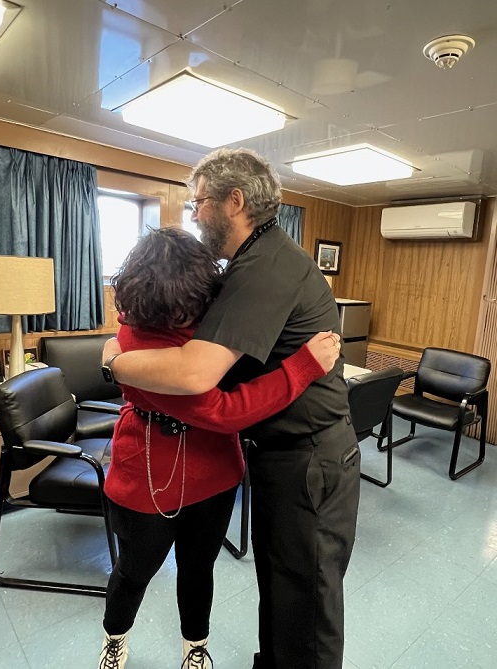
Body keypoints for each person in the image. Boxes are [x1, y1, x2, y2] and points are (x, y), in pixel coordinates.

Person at [102, 149, 360, 669]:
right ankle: (120, 638)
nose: (194, 213)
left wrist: (115, 362)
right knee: (283, 586)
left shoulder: (261, 268)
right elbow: (184, 370)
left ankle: (203, 649)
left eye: (198, 202)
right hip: (266, 456)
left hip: (303, 456)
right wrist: (115, 359)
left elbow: (200, 382)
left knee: (303, 600)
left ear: (234, 202)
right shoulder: (244, 265)